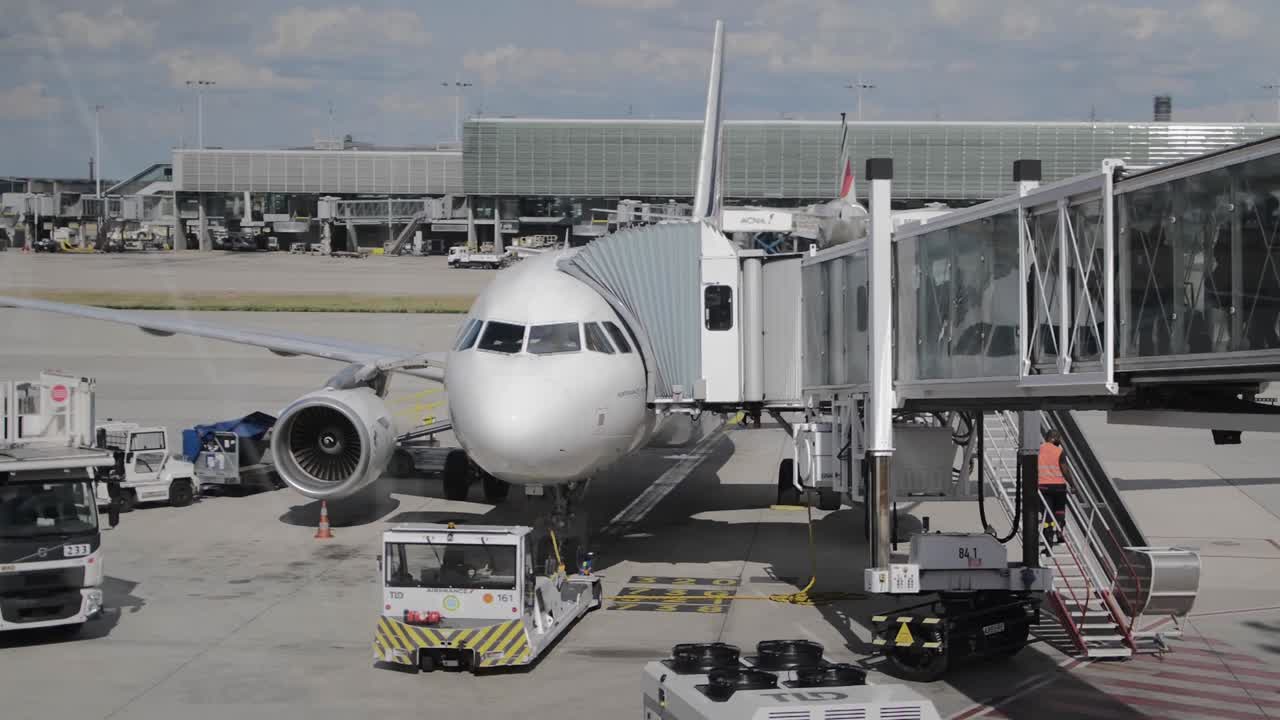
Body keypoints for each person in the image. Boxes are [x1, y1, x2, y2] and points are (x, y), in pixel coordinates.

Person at [1038, 430, 1069, 547]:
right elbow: (1065, 470)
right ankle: (1060, 532)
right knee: (1060, 511)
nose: (1060, 441)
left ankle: (1048, 537)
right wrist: (1073, 485)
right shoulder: (1059, 451)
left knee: (1047, 514)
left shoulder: (1038, 450)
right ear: (1053, 438)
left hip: (1043, 486)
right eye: (1059, 438)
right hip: (1059, 486)